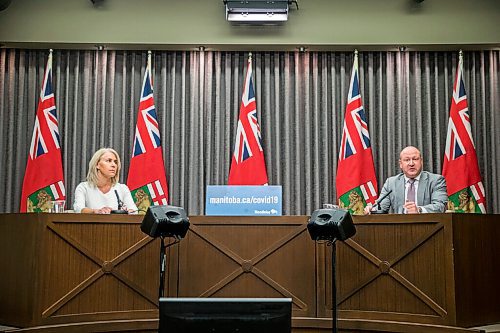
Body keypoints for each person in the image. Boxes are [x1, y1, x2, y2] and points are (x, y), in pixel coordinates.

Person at [364, 146, 447, 214]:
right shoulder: (391, 183)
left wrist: (419, 210)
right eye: (407, 160)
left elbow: (440, 206)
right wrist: (372, 210)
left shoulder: (436, 181)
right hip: (399, 229)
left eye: (415, 159)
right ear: (401, 164)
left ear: (421, 161)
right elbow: (381, 207)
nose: (411, 163)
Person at [73, 148, 138, 214]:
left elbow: (134, 211)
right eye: (109, 161)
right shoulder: (84, 187)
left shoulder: (122, 188)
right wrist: (95, 211)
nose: (114, 165)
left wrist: (127, 211)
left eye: (115, 162)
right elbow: (78, 209)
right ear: (97, 165)